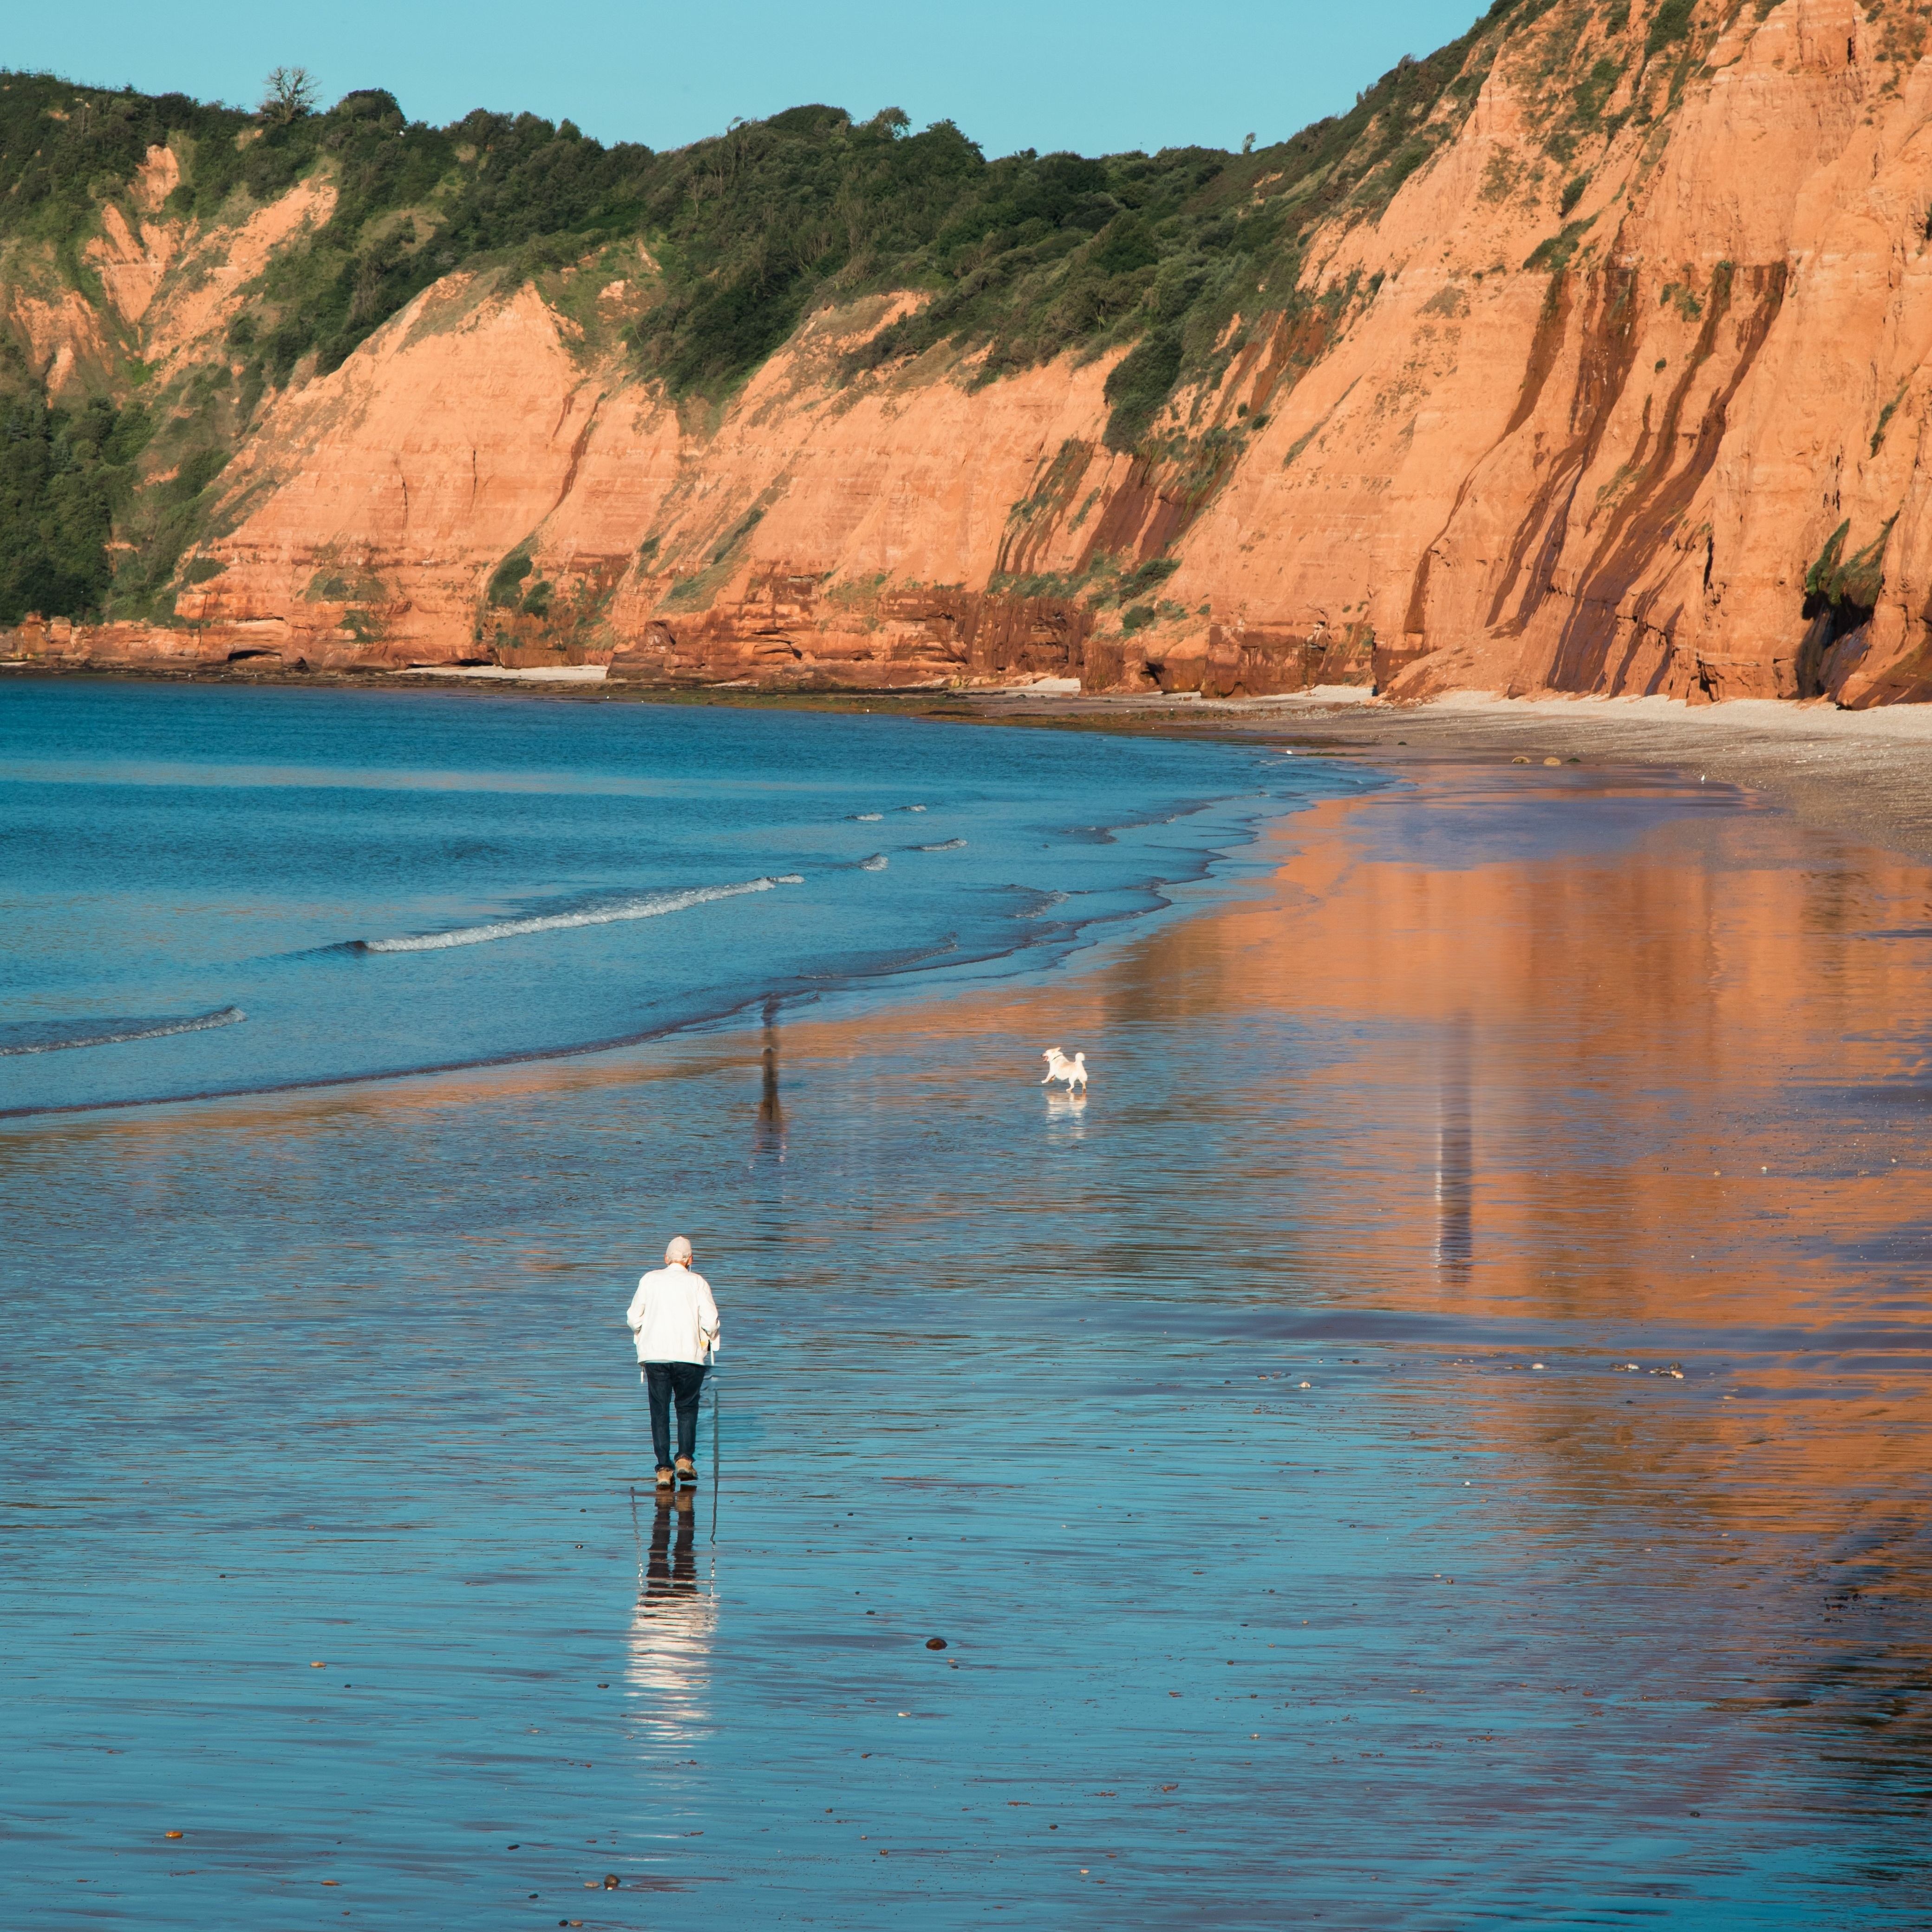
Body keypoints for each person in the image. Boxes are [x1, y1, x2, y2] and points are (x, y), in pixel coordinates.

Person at [627, 1236, 720, 1488]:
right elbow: (710, 1322)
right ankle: (685, 1460)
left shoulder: (649, 1279)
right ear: (691, 1260)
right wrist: (711, 1336)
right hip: (690, 1357)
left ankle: (664, 1470)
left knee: (659, 1411)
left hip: (655, 1357)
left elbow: (633, 1319)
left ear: (666, 1259)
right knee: (687, 1408)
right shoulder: (698, 1282)